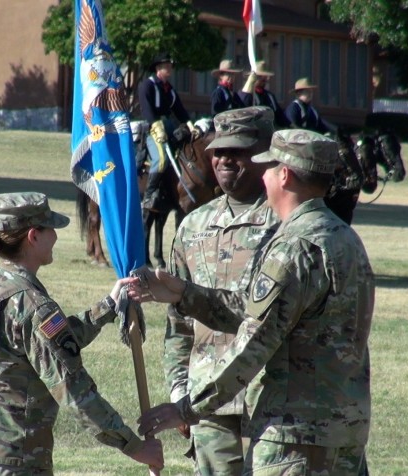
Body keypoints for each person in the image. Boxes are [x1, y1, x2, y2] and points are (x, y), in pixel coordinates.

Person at [131, 129, 374, 475]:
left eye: (268, 169)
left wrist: (188, 408)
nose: (264, 177)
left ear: (285, 175)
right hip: (346, 432)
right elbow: (278, 314)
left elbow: (255, 340)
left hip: (294, 438)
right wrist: (187, 295)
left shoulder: (294, 247)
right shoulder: (346, 239)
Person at [0, 192, 163, 475]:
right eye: (51, 228)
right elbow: (75, 391)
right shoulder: (34, 306)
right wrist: (134, 446)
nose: (55, 236)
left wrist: (108, 306)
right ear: (33, 236)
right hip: (7, 459)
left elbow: (42, 348)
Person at [164, 106, 280, 475]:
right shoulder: (193, 225)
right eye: (219, 150)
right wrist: (179, 391)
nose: (225, 159)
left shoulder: (288, 222)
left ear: (266, 153)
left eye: (238, 150)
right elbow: (177, 321)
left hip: (271, 396)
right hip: (207, 398)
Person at [138, 52, 192, 212]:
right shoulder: (147, 85)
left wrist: (190, 124)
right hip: (153, 128)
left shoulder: (169, 89)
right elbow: (146, 109)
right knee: (161, 159)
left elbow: (179, 110)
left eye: (170, 66)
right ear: (158, 68)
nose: (170, 69)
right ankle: (148, 196)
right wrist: (156, 126)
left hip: (169, 126)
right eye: (166, 66)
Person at [238, 61, 291, 128]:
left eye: (265, 77)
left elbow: (280, 117)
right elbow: (242, 107)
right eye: (261, 77)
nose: (266, 79)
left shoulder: (270, 96)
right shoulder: (246, 95)